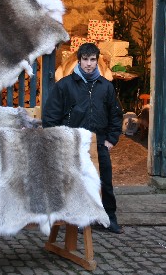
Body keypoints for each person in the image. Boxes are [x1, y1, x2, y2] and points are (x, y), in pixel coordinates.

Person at [42, 42, 124, 234]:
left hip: (99, 142)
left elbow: (116, 114)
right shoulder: (64, 86)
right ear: (79, 61)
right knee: (75, 181)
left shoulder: (106, 87)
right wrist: (61, 140)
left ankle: (108, 219)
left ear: (98, 61)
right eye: (85, 60)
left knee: (104, 181)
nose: (88, 64)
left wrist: (111, 139)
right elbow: (50, 117)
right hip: (73, 143)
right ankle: (76, 218)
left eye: (92, 60)